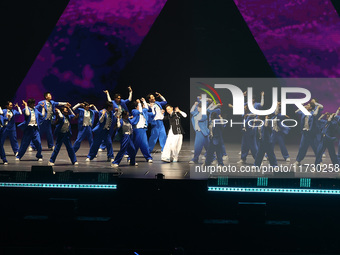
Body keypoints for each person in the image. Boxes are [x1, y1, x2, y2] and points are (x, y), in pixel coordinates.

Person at [100, 87, 132, 151]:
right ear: (115, 98)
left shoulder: (122, 102)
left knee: (123, 133)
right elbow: (109, 100)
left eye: (120, 98)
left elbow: (129, 99)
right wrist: (107, 93)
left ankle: (124, 149)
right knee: (109, 133)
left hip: (121, 119)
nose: (119, 99)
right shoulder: (113, 103)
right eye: (118, 98)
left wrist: (130, 92)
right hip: (114, 119)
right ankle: (102, 146)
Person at [130, 98, 153, 162]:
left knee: (144, 144)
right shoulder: (134, 111)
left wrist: (144, 101)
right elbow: (139, 111)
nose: (141, 107)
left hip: (142, 129)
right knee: (136, 145)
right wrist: (139, 103)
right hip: (137, 129)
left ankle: (148, 157)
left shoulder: (143, 111)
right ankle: (131, 158)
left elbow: (146, 108)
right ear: (136, 106)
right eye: (139, 106)